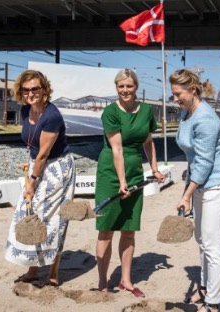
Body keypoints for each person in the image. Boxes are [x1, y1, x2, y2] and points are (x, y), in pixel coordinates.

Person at [169, 69, 220, 312]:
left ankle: (213, 303)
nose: (175, 99)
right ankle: (206, 287)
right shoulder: (187, 113)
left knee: (212, 243)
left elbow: (206, 162)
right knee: (202, 239)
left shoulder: (206, 119)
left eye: (178, 94)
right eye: (173, 94)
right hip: (201, 182)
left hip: (219, 183)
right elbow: (194, 156)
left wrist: (186, 194)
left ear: (193, 90)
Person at [94, 68, 165, 297]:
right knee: (106, 229)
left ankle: (126, 280)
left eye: (129, 86)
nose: (125, 90)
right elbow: (116, 148)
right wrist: (122, 182)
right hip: (111, 173)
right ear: (117, 88)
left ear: (136, 87)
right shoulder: (110, 112)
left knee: (129, 230)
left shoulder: (145, 111)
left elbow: (148, 142)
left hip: (134, 170)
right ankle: (103, 282)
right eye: (121, 86)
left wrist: (154, 168)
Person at [5, 69, 75, 287]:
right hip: (38, 164)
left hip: (57, 169)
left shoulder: (52, 116)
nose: (30, 93)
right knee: (30, 212)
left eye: (35, 88)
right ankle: (33, 268)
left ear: (44, 90)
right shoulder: (26, 110)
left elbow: (45, 152)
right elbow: (35, 147)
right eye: (26, 90)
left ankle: (53, 272)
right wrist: (31, 163)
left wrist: (32, 181)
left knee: (55, 219)